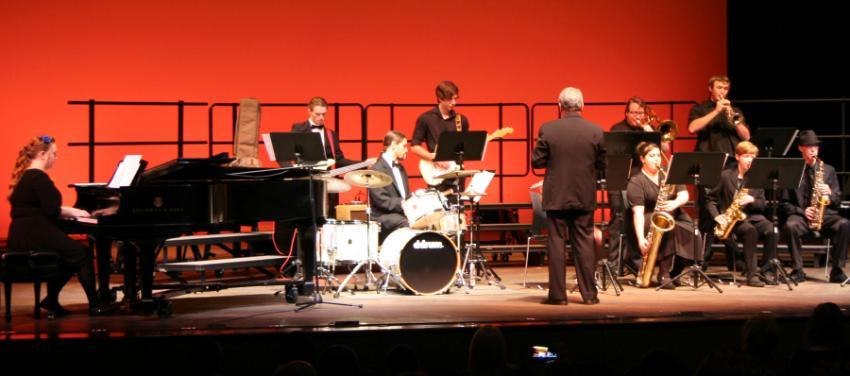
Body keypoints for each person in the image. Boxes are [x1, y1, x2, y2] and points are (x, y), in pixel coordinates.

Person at [6, 135, 102, 316]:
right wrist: (75, 212)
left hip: (22, 234)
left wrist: (68, 210)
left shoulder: (26, 177)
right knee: (81, 253)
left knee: (70, 255)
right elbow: (52, 210)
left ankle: (51, 300)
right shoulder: (39, 178)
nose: (56, 158)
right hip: (35, 233)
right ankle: (95, 305)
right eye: (54, 154)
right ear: (43, 154)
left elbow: (44, 207)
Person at [531, 87, 605, 305]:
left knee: (556, 243)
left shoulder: (548, 129)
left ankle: (558, 296)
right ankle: (589, 296)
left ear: (559, 105)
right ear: (582, 105)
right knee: (584, 243)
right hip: (584, 195)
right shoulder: (596, 131)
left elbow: (537, 162)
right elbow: (603, 165)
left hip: (557, 196)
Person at [688, 75, 752, 270]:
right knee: (708, 212)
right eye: (719, 88)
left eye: (725, 88)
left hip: (731, 166)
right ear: (710, 88)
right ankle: (703, 260)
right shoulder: (700, 109)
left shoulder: (735, 111)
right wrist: (715, 111)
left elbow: (746, 136)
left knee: (730, 211)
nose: (722, 92)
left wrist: (734, 117)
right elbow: (692, 128)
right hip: (706, 164)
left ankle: (734, 260)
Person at [780, 130, 849, 283]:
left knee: (844, 225)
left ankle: (837, 270)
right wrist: (803, 211)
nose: (813, 150)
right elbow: (784, 203)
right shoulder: (792, 170)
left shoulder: (828, 170)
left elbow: (837, 200)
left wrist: (830, 194)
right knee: (791, 226)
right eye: (809, 146)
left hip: (825, 215)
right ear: (800, 148)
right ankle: (798, 269)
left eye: (815, 147)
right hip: (801, 216)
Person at [706, 141, 777, 287]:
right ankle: (752, 275)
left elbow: (762, 204)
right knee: (749, 231)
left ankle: (766, 271)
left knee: (772, 230)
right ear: (737, 157)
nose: (750, 160)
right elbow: (710, 199)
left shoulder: (757, 177)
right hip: (734, 219)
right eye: (746, 156)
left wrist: (751, 199)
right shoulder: (725, 176)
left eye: (753, 157)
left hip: (753, 216)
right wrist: (716, 215)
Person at [627, 142, 696, 289]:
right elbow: (637, 212)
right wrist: (640, 239)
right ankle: (663, 273)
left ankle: (676, 272)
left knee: (691, 231)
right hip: (650, 216)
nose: (657, 159)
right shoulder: (636, 181)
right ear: (642, 159)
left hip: (673, 212)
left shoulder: (669, 172)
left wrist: (675, 203)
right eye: (652, 156)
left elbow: (684, 194)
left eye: (658, 155)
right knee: (670, 229)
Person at [606, 96, 653, 274]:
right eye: (634, 112)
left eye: (640, 112)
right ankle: (614, 264)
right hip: (619, 181)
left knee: (638, 222)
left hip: (641, 183)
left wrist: (648, 130)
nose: (637, 116)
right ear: (626, 113)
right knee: (618, 220)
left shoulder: (649, 130)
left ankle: (635, 263)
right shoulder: (617, 130)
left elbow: (664, 149)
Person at [410, 80, 470, 193]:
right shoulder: (426, 118)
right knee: (439, 208)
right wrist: (432, 157)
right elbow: (414, 146)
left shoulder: (461, 120)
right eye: (450, 99)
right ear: (440, 98)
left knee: (457, 208)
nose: (454, 102)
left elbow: (465, 147)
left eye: (455, 98)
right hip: (437, 173)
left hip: (457, 174)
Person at [369, 131, 411, 243]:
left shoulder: (401, 168)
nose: (406, 150)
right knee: (405, 222)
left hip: (399, 214)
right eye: (404, 146)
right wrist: (404, 203)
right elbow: (381, 200)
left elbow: (406, 195)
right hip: (382, 216)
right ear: (394, 145)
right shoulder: (377, 169)